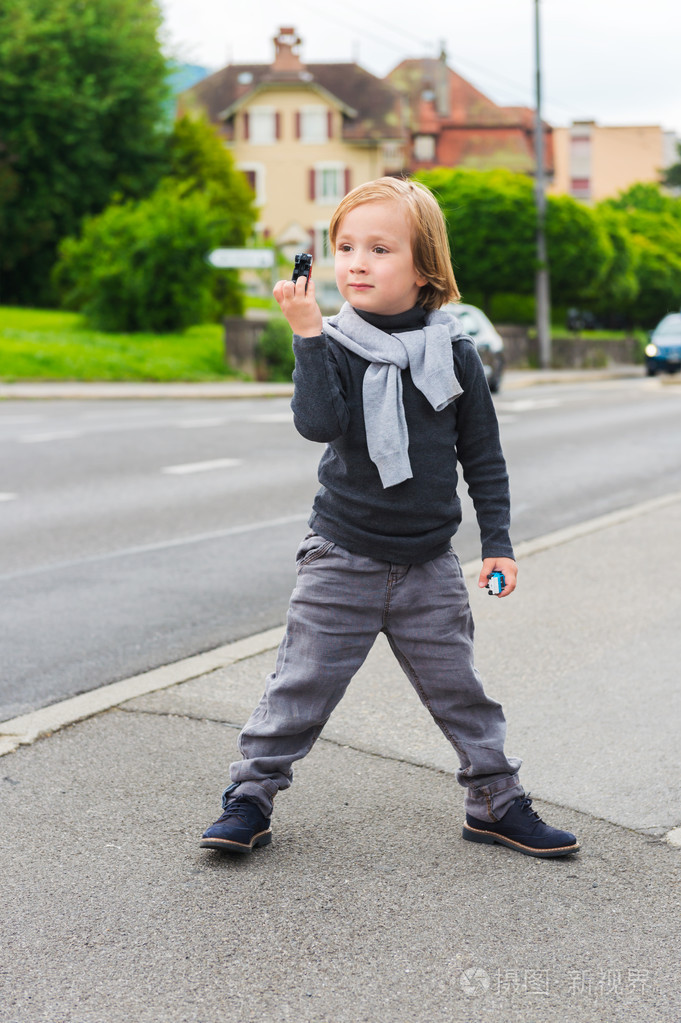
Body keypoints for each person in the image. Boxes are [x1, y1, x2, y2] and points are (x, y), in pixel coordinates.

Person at [200, 177, 579, 860]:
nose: (356, 262)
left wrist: (497, 543)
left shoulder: (454, 352)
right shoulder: (335, 343)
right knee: (299, 685)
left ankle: (495, 799)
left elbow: (482, 458)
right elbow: (318, 423)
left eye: (379, 248)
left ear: (425, 267)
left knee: (461, 691)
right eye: (345, 246)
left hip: (428, 563)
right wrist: (308, 336)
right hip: (341, 555)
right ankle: (249, 796)